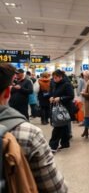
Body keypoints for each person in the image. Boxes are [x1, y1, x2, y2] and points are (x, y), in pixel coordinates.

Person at [0, 64, 67, 192]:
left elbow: (32, 91)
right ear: (8, 92)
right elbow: (54, 187)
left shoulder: (29, 82)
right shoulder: (28, 133)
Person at [49, 69, 75, 152]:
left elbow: (71, 96)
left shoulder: (67, 84)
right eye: (53, 77)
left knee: (58, 126)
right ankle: (65, 143)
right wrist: (51, 97)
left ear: (61, 77)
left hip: (65, 109)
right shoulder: (54, 84)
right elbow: (53, 93)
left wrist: (60, 98)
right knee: (64, 126)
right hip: (57, 108)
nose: (54, 79)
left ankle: (53, 146)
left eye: (56, 77)